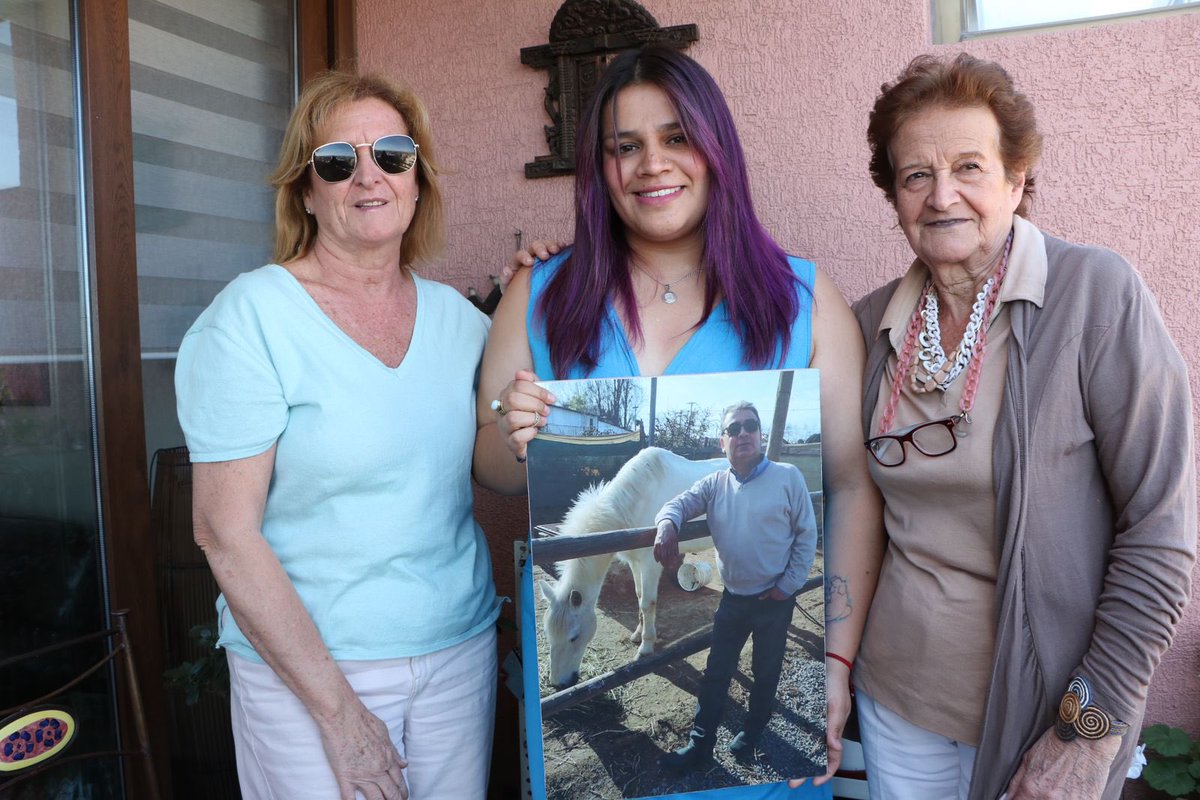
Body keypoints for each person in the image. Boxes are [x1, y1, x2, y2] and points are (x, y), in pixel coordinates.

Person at [475, 44, 884, 796]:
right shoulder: (537, 293)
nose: (650, 165)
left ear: (715, 147)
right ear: (598, 169)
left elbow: (853, 489)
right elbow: (494, 473)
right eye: (623, 147)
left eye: (676, 137)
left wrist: (835, 660)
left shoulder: (804, 298)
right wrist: (511, 430)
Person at [849, 53, 1196, 800]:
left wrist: (1086, 734)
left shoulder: (1096, 296)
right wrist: (552, 282)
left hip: (1045, 714)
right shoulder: (869, 324)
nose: (942, 196)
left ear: (1017, 178)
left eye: (970, 167)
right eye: (915, 175)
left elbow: (1161, 534)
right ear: (894, 195)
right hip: (896, 704)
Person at [175, 71, 500, 800]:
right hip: (308, 673)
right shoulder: (252, 318)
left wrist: (546, 289)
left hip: (458, 650)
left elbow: (507, 448)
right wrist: (338, 712)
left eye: (391, 153)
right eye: (336, 161)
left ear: (418, 179)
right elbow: (224, 533)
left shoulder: (462, 322)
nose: (368, 176)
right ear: (306, 188)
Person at [653, 402, 819, 772]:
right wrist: (667, 523)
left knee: (766, 670)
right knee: (717, 672)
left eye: (751, 426)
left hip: (774, 600)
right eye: (735, 428)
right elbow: (678, 504)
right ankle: (700, 746)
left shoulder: (788, 476)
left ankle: (754, 732)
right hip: (733, 600)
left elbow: (807, 535)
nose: (743, 433)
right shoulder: (714, 484)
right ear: (722, 440)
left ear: (760, 435)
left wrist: (787, 586)